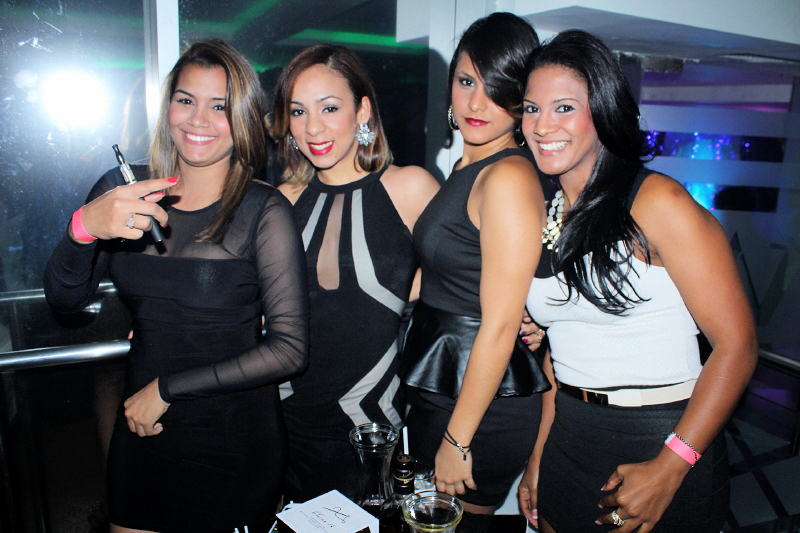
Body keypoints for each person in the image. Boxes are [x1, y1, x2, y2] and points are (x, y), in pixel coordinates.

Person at [44, 39, 309, 532]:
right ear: (168, 106)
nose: (198, 119)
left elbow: (290, 350)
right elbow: (66, 302)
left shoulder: (263, 210)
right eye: (186, 100)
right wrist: (82, 229)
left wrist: (167, 389)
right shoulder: (122, 190)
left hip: (233, 436)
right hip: (142, 430)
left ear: (243, 119)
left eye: (220, 106)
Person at [517, 30, 758, 533]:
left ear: (603, 111)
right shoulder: (548, 211)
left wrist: (671, 467)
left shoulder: (656, 202)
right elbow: (561, 352)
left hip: (663, 437)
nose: (542, 125)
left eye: (564, 108)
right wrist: (538, 454)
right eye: (532, 109)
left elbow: (737, 346)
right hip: (569, 436)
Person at [267, 44, 441, 503]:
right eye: (299, 111)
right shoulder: (281, 201)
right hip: (286, 415)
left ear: (362, 110)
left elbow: (465, 279)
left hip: (371, 423)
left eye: (329, 108)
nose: (313, 128)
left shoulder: (409, 187)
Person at [399, 12, 550, 515]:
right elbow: (446, 275)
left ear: (522, 98)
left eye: (498, 89)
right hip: (446, 383)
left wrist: (457, 439)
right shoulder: (468, 167)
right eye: (466, 82)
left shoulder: (507, 176)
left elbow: (502, 323)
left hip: (479, 408)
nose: (477, 103)